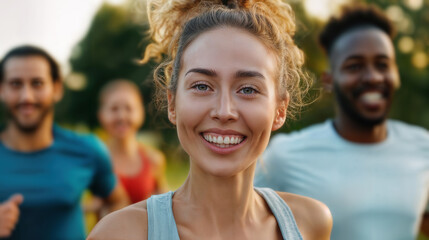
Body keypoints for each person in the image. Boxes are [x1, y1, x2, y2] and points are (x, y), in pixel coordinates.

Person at [88, 0, 332, 239]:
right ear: (172, 104)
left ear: (280, 110)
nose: (224, 111)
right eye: (202, 86)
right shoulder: (120, 233)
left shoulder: (310, 223)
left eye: (248, 89)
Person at [254, 4, 429, 240]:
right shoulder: (284, 157)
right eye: (354, 66)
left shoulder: (422, 147)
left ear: (395, 73)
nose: (373, 77)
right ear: (329, 80)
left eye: (382, 64)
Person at [0, 45, 129, 239]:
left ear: (57, 88)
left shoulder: (87, 149)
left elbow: (118, 202)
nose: (26, 96)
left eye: (37, 84)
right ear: (2, 89)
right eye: (16, 84)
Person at [98, 79, 168, 203]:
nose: (121, 116)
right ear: (101, 115)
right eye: (114, 109)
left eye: (128, 108)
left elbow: (166, 203)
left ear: (140, 112)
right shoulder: (95, 158)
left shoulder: (153, 159)